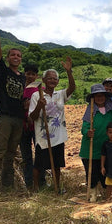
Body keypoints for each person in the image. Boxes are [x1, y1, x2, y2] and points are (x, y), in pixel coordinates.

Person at [0, 14, 26, 193]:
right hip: (5, 117)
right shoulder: (2, 70)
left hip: (19, 119)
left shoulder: (24, 78)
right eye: (13, 55)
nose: (16, 57)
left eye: (18, 55)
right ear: (8, 58)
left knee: (11, 154)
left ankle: (8, 186)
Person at [29, 59, 76, 191]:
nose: (52, 80)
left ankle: (56, 186)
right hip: (43, 136)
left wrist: (69, 72)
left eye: (55, 79)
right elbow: (32, 117)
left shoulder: (60, 94)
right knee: (39, 164)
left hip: (58, 135)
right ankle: (36, 188)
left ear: (58, 82)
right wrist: (39, 105)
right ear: (43, 80)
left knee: (56, 164)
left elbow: (72, 88)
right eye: (49, 78)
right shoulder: (36, 95)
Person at [80, 84, 112, 202]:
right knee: (92, 172)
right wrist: (87, 132)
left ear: (105, 97)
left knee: (104, 172)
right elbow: (84, 127)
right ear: (93, 98)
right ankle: (92, 193)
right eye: (97, 96)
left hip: (105, 149)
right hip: (90, 148)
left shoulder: (110, 111)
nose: (100, 98)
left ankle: (105, 191)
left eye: (102, 96)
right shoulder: (91, 111)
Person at [19, 63, 43, 189]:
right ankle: (29, 184)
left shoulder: (40, 89)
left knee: (40, 155)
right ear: (25, 74)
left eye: (33, 74)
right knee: (26, 156)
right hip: (22, 126)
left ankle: (41, 182)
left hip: (36, 127)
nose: (31, 76)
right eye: (28, 73)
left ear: (36, 76)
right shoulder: (20, 87)